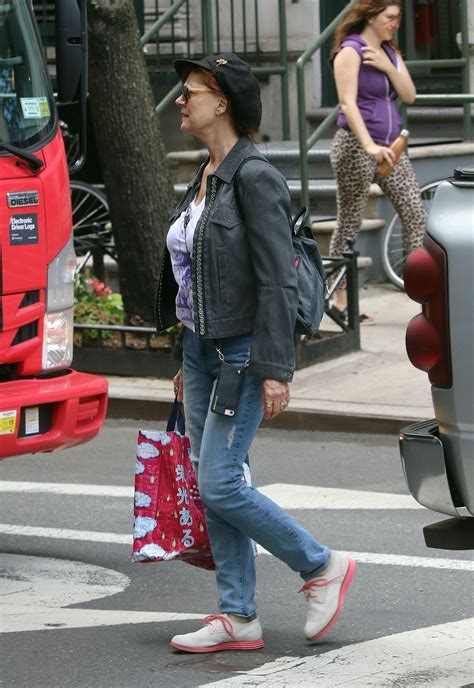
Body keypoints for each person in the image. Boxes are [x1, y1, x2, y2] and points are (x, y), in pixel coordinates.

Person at [154, 53, 355, 653]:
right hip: (201, 352)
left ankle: (321, 566)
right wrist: (183, 355)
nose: (180, 102)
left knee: (218, 482)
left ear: (223, 101)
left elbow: (276, 281)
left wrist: (274, 368)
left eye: (190, 92)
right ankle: (238, 615)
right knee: (219, 480)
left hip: (241, 354)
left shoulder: (254, 176)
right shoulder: (207, 173)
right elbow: (198, 275)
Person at [329, 0, 427, 322]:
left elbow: (409, 95)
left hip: (392, 149)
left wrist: (387, 67)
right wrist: (369, 145)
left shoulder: (389, 52)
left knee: (415, 212)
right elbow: (347, 103)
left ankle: (422, 295)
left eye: (398, 17)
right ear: (371, 16)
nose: (396, 23)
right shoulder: (350, 51)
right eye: (390, 17)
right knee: (349, 222)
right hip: (356, 147)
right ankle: (340, 300)